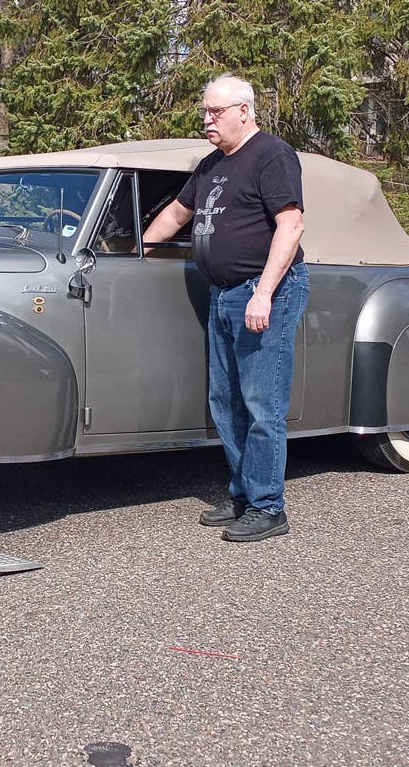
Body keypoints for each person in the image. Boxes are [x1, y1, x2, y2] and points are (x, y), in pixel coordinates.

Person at [143, 73, 309, 542]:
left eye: (215, 112)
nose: (207, 119)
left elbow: (291, 225)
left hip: (262, 290)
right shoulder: (213, 164)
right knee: (225, 400)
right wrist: (133, 249)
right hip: (222, 292)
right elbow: (177, 214)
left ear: (244, 111)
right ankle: (243, 495)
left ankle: (267, 506)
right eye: (204, 112)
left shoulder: (272, 155)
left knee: (262, 401)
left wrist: (264, 293)